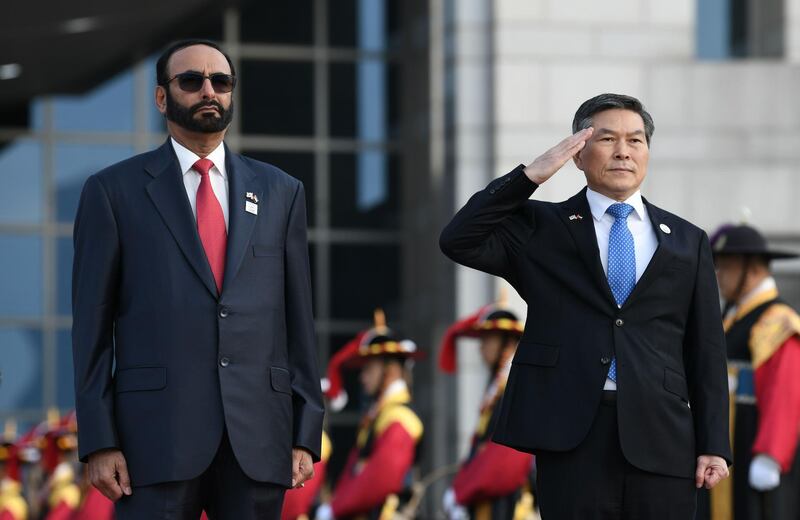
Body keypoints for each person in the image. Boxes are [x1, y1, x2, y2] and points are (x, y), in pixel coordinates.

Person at [439, 93, 732, 519]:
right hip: (571, 430)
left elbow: (706, 350)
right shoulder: (543, 227)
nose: (622, 152)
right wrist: (530, 177)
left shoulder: (687, 240)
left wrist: (714, 444)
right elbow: (458, 238)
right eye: (607, 139)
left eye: (635, 141)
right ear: (578, 153)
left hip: (663, 432)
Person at [71, 39, 324, 519]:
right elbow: (91, 329)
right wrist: (99, 442)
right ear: (162, 98)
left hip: (259, 438)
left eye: (221, 82)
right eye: (191, 81)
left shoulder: (282, 191)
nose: (209, 91)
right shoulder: (112, 192)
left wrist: (305, 431)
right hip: (153, 441)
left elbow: (298, 321)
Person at [704, 224, 800, 520]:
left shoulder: (777, 320)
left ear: (753, 269)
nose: (718, 275)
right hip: (731, 437)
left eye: (725, 267)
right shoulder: (733, 316)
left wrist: (771, 454)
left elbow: (786, 392)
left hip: (755, 440)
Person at [316, 311, 424, 519]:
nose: (362, 377)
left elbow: (383, 477)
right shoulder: (381, 414)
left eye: (369, 369)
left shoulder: (400, 417)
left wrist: (335, 508)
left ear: (391, 370)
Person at [439, 300, 534, 519]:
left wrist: (461, 493)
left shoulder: (518, 385)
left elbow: (504, 460)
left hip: (510, 505)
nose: (481, 347)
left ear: (506, 341)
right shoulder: (500, 386)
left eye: (487, 340)